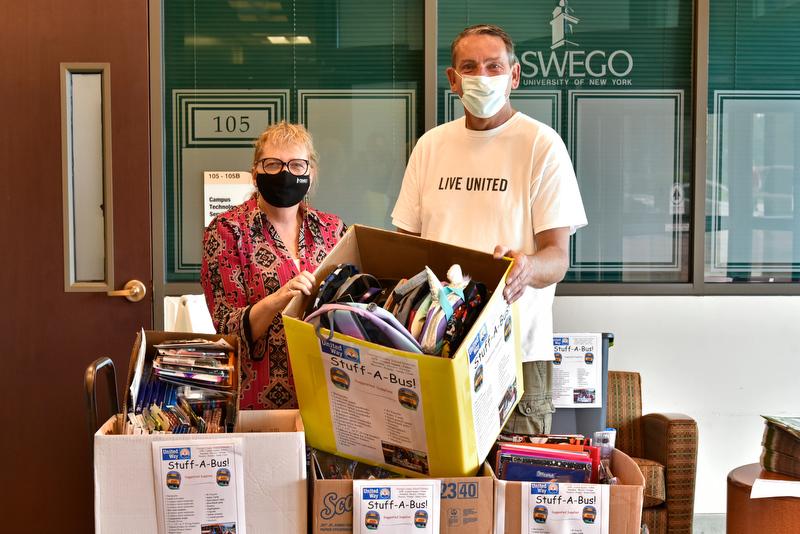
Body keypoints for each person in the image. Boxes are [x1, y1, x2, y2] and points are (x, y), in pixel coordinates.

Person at [391, 24, 587, 434]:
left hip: (514, 354)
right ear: (453, 79)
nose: (482, 77)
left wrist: (529, 267)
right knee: (443, 486)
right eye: (470, 67)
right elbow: (404, 249)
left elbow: (558, 257)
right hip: (435, 349)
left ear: (513, 75)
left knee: (516, 489)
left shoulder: (541, 146)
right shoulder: (430, 147)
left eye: (494, 66)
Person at [201, 121, 346, 409]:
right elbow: (227, 330)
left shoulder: (333, 229)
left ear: (311, 173)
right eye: (272, 164)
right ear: (255, 173)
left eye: (296, 165)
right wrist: (279, 299)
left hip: (328, 396)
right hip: (258, 402)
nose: (284, 174)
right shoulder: (227, 231)